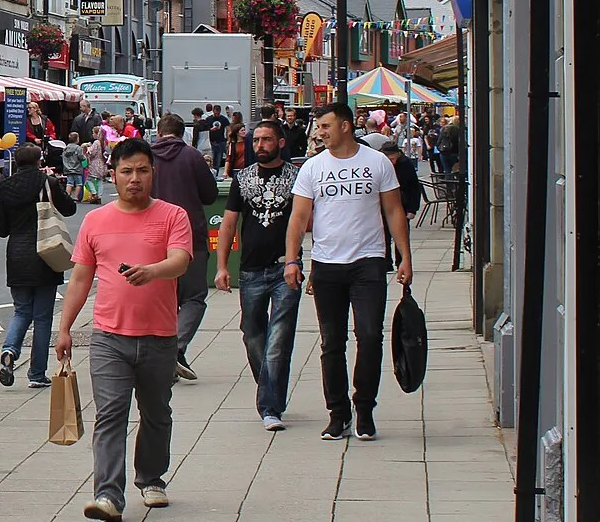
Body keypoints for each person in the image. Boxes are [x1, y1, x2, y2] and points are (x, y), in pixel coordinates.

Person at [54, 138, 192, 522]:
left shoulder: (172, 216)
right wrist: (64, 329)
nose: (135, 179)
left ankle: (151, 477)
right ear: (112, 175)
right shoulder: (96, 221)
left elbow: (180, 260)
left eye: (142, 171)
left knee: (156, 413)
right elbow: (81, 278)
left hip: (160, 336)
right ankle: (108, 495)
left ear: (153, 173)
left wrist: (153, 271)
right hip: (109, 338)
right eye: (127, 171)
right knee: (111, 413)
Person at [283, 100, 414, 442]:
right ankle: (338, 412)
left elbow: (394, 210)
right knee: (332, 342)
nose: (320, 133)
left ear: (344, 126)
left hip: (369, 262)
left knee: (370, 336)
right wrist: (292, 259)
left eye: (325, 126)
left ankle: (365, 409)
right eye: (318, 127)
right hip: (327, 265)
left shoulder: (377, 162)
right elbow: (298, 218)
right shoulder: (313, 168)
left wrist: (405, 256)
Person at [216, 118, 300, 431]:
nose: (260, 146)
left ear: (280, 142)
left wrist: (308, 261)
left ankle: (269, 407)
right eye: (256, 140)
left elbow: (308, 220)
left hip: (285, 267)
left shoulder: (296, 177)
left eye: (266, 140)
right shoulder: (243, 178)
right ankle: (271, 389)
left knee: (278, 340)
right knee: (253, 335)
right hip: (250, 270)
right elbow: (228, 223)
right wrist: (223, 265)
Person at [0, 141, 77, 390]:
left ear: (16, 163)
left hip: (17, 256)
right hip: (46, 253)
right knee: (42, 318)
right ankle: (36, 373)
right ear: (39, 161)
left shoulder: (4, 188)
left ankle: (9, 350)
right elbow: (70, 208)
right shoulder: (47, 183)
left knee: (21, 311)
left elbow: (1, 230)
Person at [149, 114, 219, 382]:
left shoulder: (146, 157)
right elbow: (210, 194)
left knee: (161, 299)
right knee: (193, 297)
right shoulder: (192, 157)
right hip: (189, 234)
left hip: (152, 236)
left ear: (159, 131)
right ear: (183, 133)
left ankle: (169, 355)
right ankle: (176, 346)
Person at [204, 103, 229, 174]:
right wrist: (211, 129)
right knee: (212, 158)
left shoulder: (223, 119)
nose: (217, 114)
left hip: (221, 141)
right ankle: (212, 173)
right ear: (213, 111)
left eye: (218, 113)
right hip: (211, 141)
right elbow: (206, 130)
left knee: (218, 158)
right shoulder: (209, 119)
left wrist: (227, 138)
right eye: (215, 113)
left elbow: (228, 129)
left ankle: (216, 173)